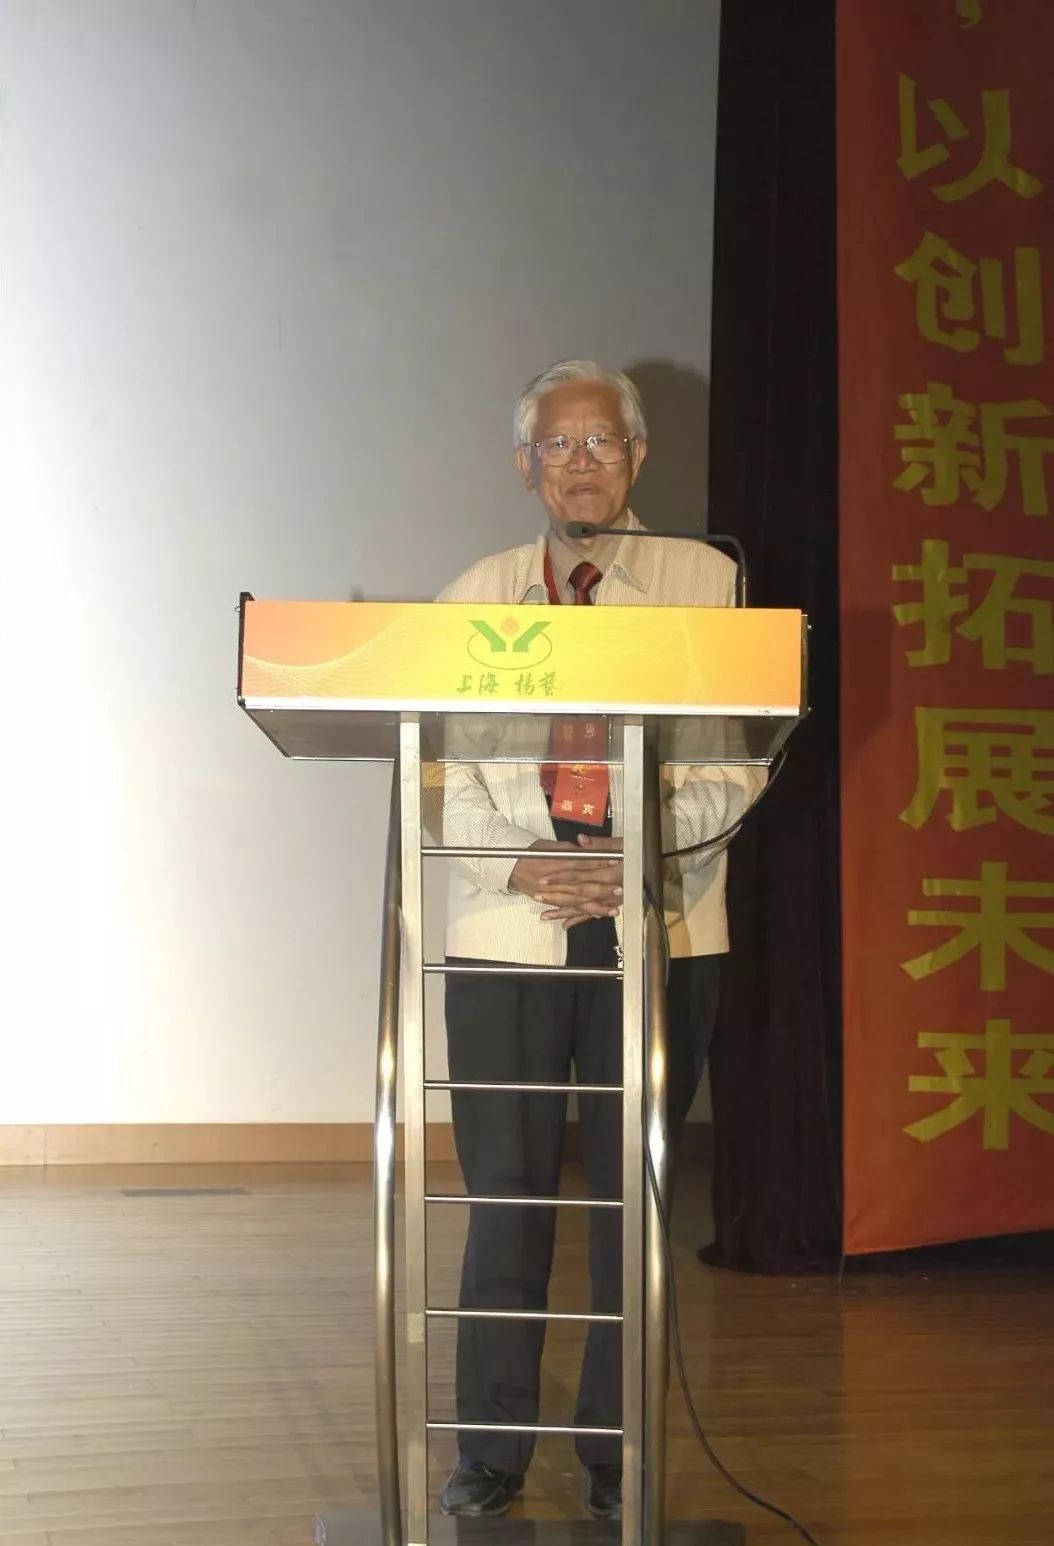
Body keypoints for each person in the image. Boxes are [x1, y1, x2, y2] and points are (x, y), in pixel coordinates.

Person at [433, 359, 762, 1522]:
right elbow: (442, 773)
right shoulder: (473, 595)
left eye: (602, 441)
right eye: (558, 445)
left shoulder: (704, 584)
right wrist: (526, 863)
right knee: (506, 1196)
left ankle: (618, 1457)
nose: (580, 463)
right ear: (524, 466)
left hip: (658, 921)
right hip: (506, 932)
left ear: (638, 457)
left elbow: (735, 762)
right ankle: (489, 1453)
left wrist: (631, 859)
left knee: (636, 1203)